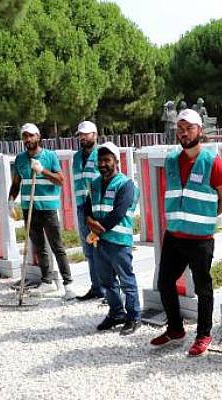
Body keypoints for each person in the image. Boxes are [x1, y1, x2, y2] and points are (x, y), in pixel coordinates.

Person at [149, 109, 222, 357]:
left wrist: (203, 220)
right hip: (174, 235)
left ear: (200, 131)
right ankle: (175, 329)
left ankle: (204, 334)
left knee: (203, 287)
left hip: (199, 239)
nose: (184, 132)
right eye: (180, 129)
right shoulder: (172, 161)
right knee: (164, 282)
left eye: (189, 128)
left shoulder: (212, 162)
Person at [8, 123, 75, 300]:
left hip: (48, 209)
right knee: (39, 246)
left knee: (57, 246)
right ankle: (47, 281)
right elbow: (16, 183)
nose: (28, 139)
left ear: (38, 137)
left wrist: (42, 170)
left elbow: (60, 180)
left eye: (31, 136)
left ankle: (68, 284)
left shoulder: (50, 156)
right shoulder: (20, 159)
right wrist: (10, 201)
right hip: (29, 208)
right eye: (25, 136)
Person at [84, 142, 141, 335]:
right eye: (100, 160)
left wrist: (99, 228)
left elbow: (119, 212)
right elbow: (87, 207)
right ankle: (116, 313)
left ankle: (133, 317)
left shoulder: (126, 184)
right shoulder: (95, 184)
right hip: (100, 241)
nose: (103, 164)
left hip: (118, 242)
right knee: (107, 281)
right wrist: (90, 221)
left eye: (107, 160)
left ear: (116, 161)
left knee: (126, 280)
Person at [72, 121, 103, 301]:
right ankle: (96, 287)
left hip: (98, 207)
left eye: (87, 134)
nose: (83, 137)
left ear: (95, 134)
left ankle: (109, 289)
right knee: (89, 250)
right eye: (81, 134)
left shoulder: (102, 154)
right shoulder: (76, 157)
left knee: (102, 249)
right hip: (82, 207)